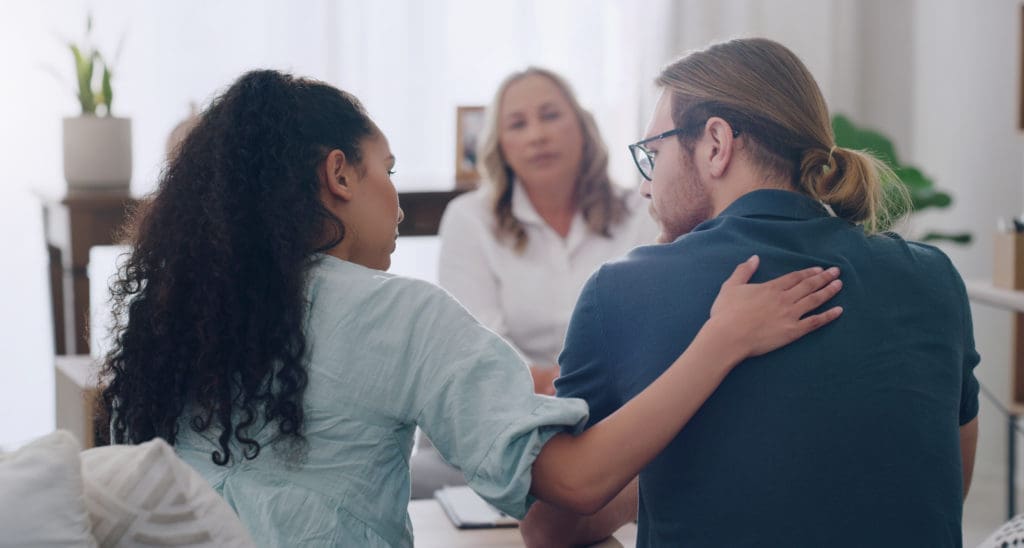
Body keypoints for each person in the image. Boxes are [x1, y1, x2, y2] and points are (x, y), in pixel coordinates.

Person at [99, 69, 843, 548]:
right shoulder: (400, 315)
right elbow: (575, 484)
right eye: (386, 171)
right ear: (338, 176)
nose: (396, 201)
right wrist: (722, 340)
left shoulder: (172, 318)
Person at [521, 37, 981, 548]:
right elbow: (940, 488)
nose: (647, 187)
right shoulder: (934, 277)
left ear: (715, 144)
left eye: (654, 154)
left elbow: (550, 528)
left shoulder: (622, 291)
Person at [438, 67, 658, 394]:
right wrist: (549, 386)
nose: (537, 135)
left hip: (626, 398)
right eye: (517, 124)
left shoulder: (641, 210)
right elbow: (478, 340)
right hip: (510, 402)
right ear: (500, 146)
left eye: (550, 116)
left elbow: (654, 324)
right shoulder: (469, 218)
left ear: (583, 128)